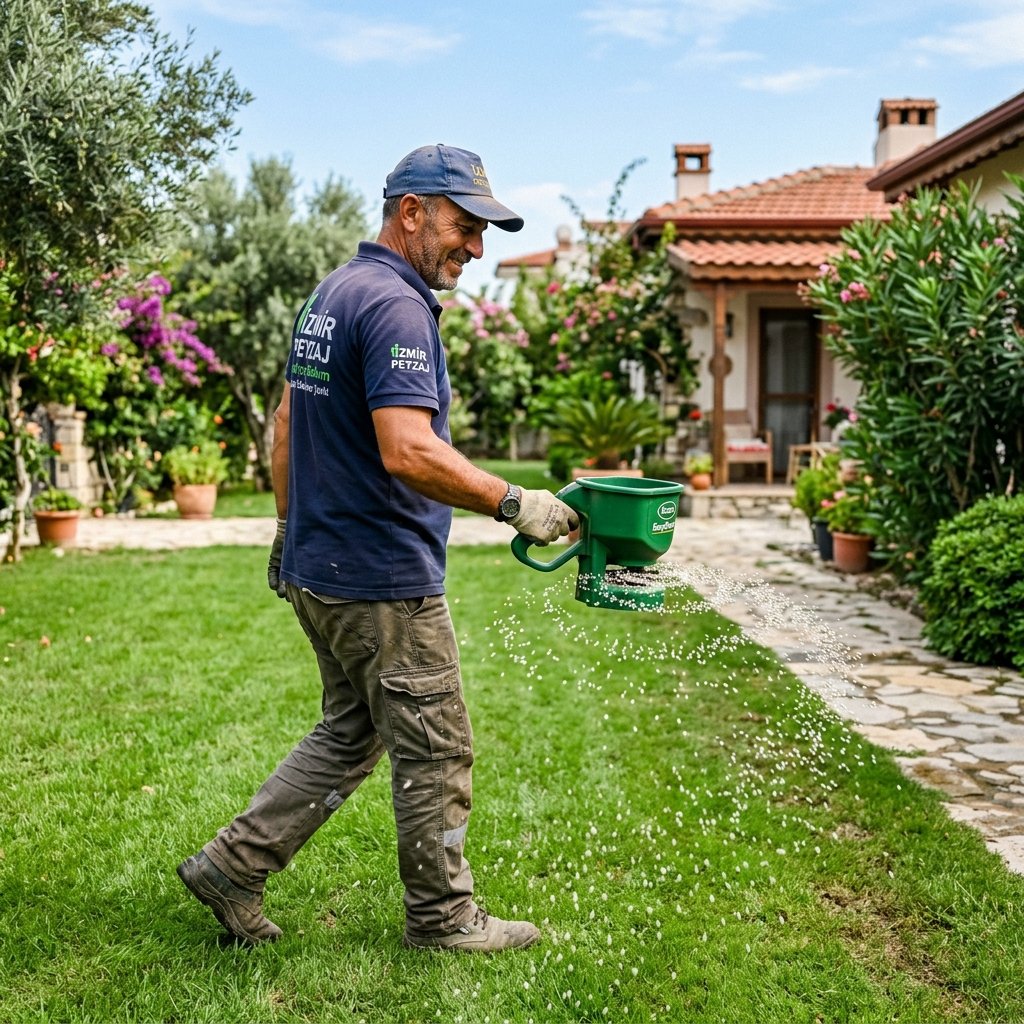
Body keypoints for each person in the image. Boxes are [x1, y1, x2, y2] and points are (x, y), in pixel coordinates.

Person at [177, 144, 578, 953]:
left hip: (321, 568)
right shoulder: (396, 307)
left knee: (351, 732)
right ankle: (443, 918)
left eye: (482, 231)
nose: (475, 247)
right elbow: (408, 450)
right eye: (464, 226)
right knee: (437, 749)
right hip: (382, 580)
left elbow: (287, 423)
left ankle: (233, 865)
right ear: (411, 212)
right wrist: (516, 502)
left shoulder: (334, 293)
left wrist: (290, 532)